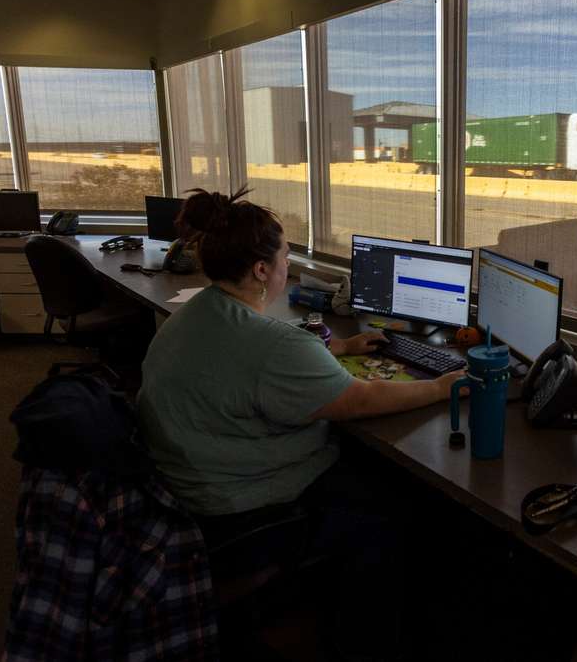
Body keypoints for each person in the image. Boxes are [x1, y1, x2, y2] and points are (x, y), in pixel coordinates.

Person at [136, 186, 463, 660]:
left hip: (178, 488)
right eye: (287, 256)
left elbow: (253, 352)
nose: (290, 266)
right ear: (262, 269)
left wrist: (342, 348)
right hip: (235, 512)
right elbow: (360, 397)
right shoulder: (272, 346)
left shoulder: (193, 315)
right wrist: (440, 387)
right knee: (390, 513)